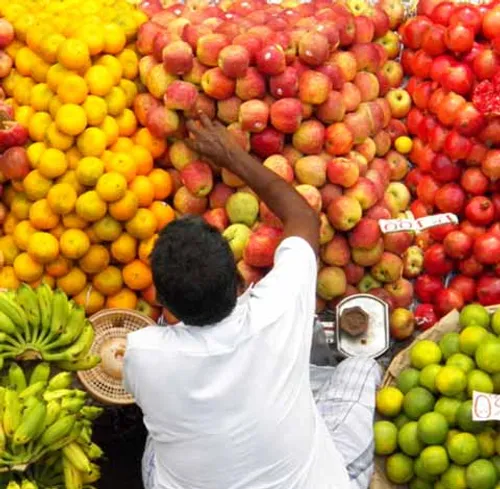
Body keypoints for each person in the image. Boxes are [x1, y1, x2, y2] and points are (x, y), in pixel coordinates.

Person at [123, 114, 382, 489]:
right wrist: (232, 155)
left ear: (163, 302)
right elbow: (301, 217)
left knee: (159, 441)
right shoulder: (278, 307)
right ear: (241, 280)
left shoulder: (142, 353)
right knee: (359, 366)